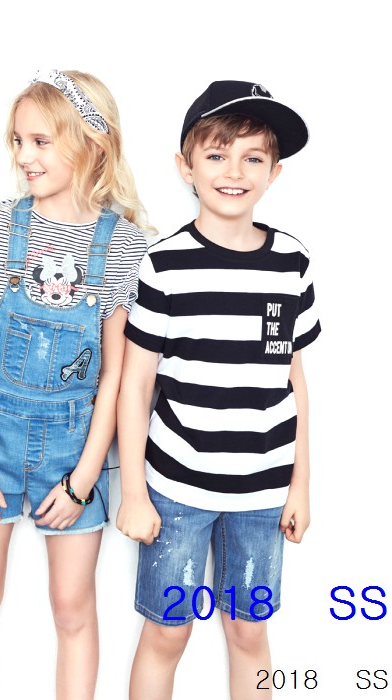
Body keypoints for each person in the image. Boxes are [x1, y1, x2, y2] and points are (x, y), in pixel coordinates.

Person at [0, 69, 151, 699]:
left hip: (73, 449)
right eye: (18, 141)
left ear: (91, 143)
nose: (24, 156)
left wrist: (84, 479)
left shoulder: (124, 245)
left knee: (72, 609)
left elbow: (115, 376)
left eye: (40, 141)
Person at [116, 80, 320, 699]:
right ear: (186, 167)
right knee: (167, 633)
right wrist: (134, 492)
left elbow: (293, 379)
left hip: (263, 492)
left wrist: (301, 485)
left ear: (274, 173)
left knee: (248, 630)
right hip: (176, 488)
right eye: (216, 154)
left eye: (252, 157)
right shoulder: (165, 264)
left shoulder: (291, 264)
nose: (234, 171)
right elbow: (136, 383)